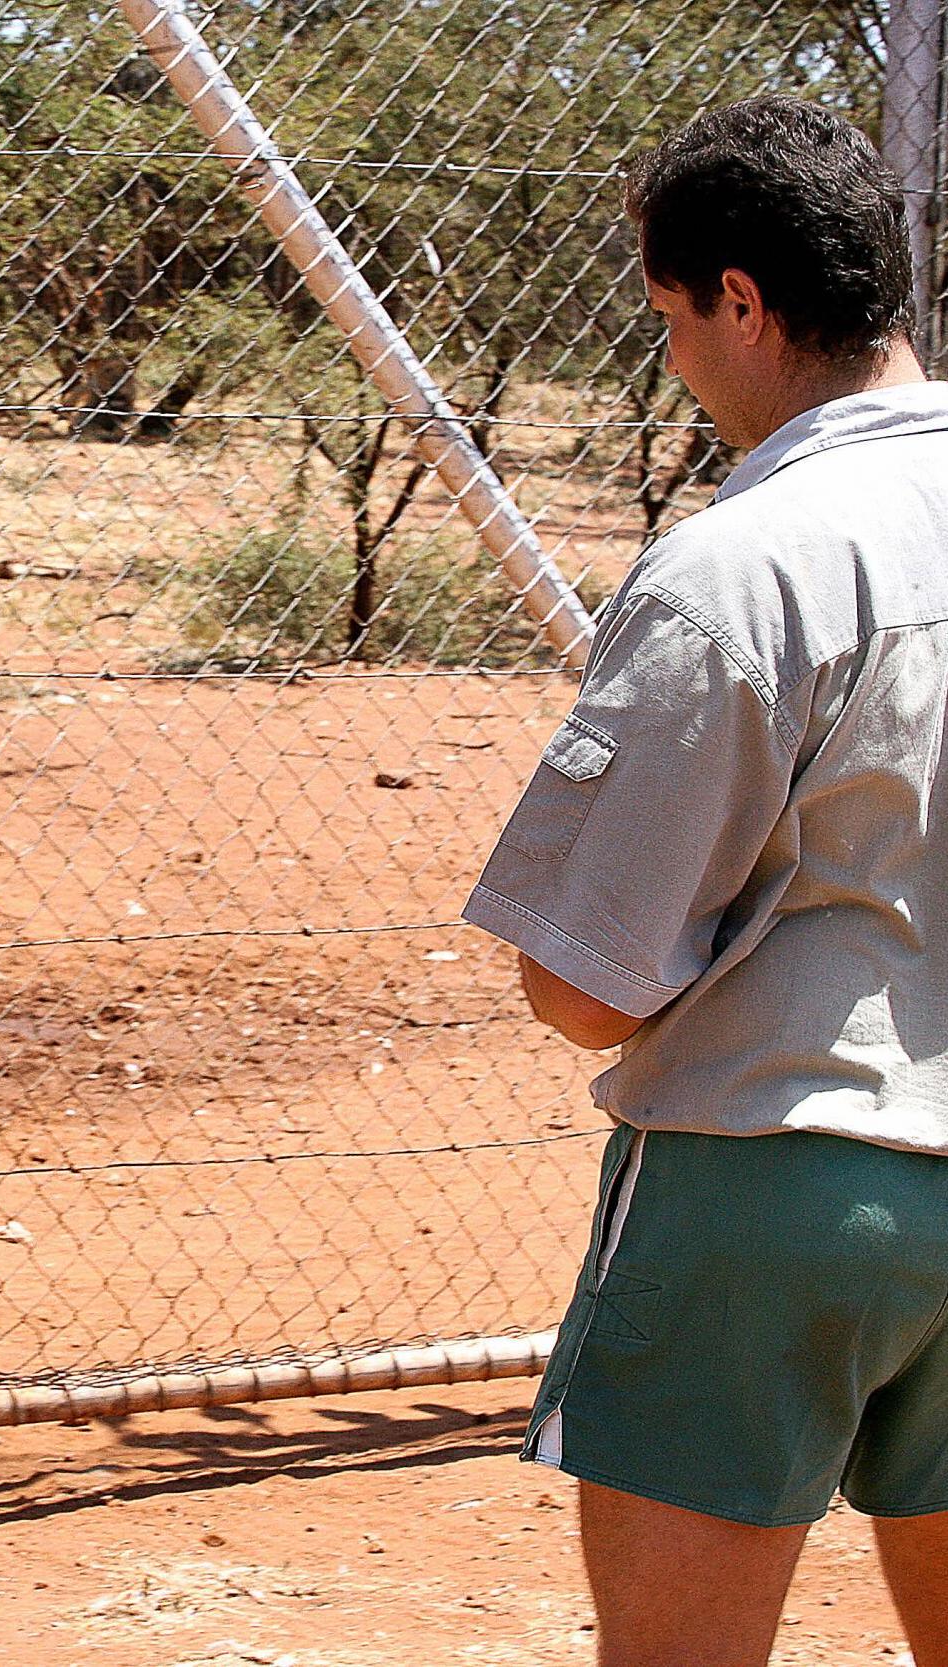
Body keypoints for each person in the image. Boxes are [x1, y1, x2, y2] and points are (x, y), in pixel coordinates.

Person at [463, 96, 948, 1666]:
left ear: (740, 301)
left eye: (673, 318)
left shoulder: (743, 562)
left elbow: (589, 988)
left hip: (781, 1172)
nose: (675, 357)